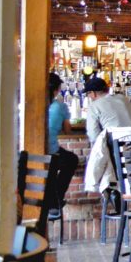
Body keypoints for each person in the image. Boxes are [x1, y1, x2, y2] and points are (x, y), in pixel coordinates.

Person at [46, 73, 78, 217]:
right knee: (71, 160)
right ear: (57, 89)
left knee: (60, 160)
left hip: (30, 154)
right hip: (51, 152)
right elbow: (67, 131)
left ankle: (53, 202)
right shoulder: (59, 106)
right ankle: (54, 202)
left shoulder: (29, 104)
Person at [84, 76, 131, 143]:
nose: (88, 96)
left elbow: (93, 135)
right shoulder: (123, 99)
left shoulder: (93, 106)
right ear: (107, 89)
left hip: (116, 148)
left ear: (93, 93)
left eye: (87, 94)